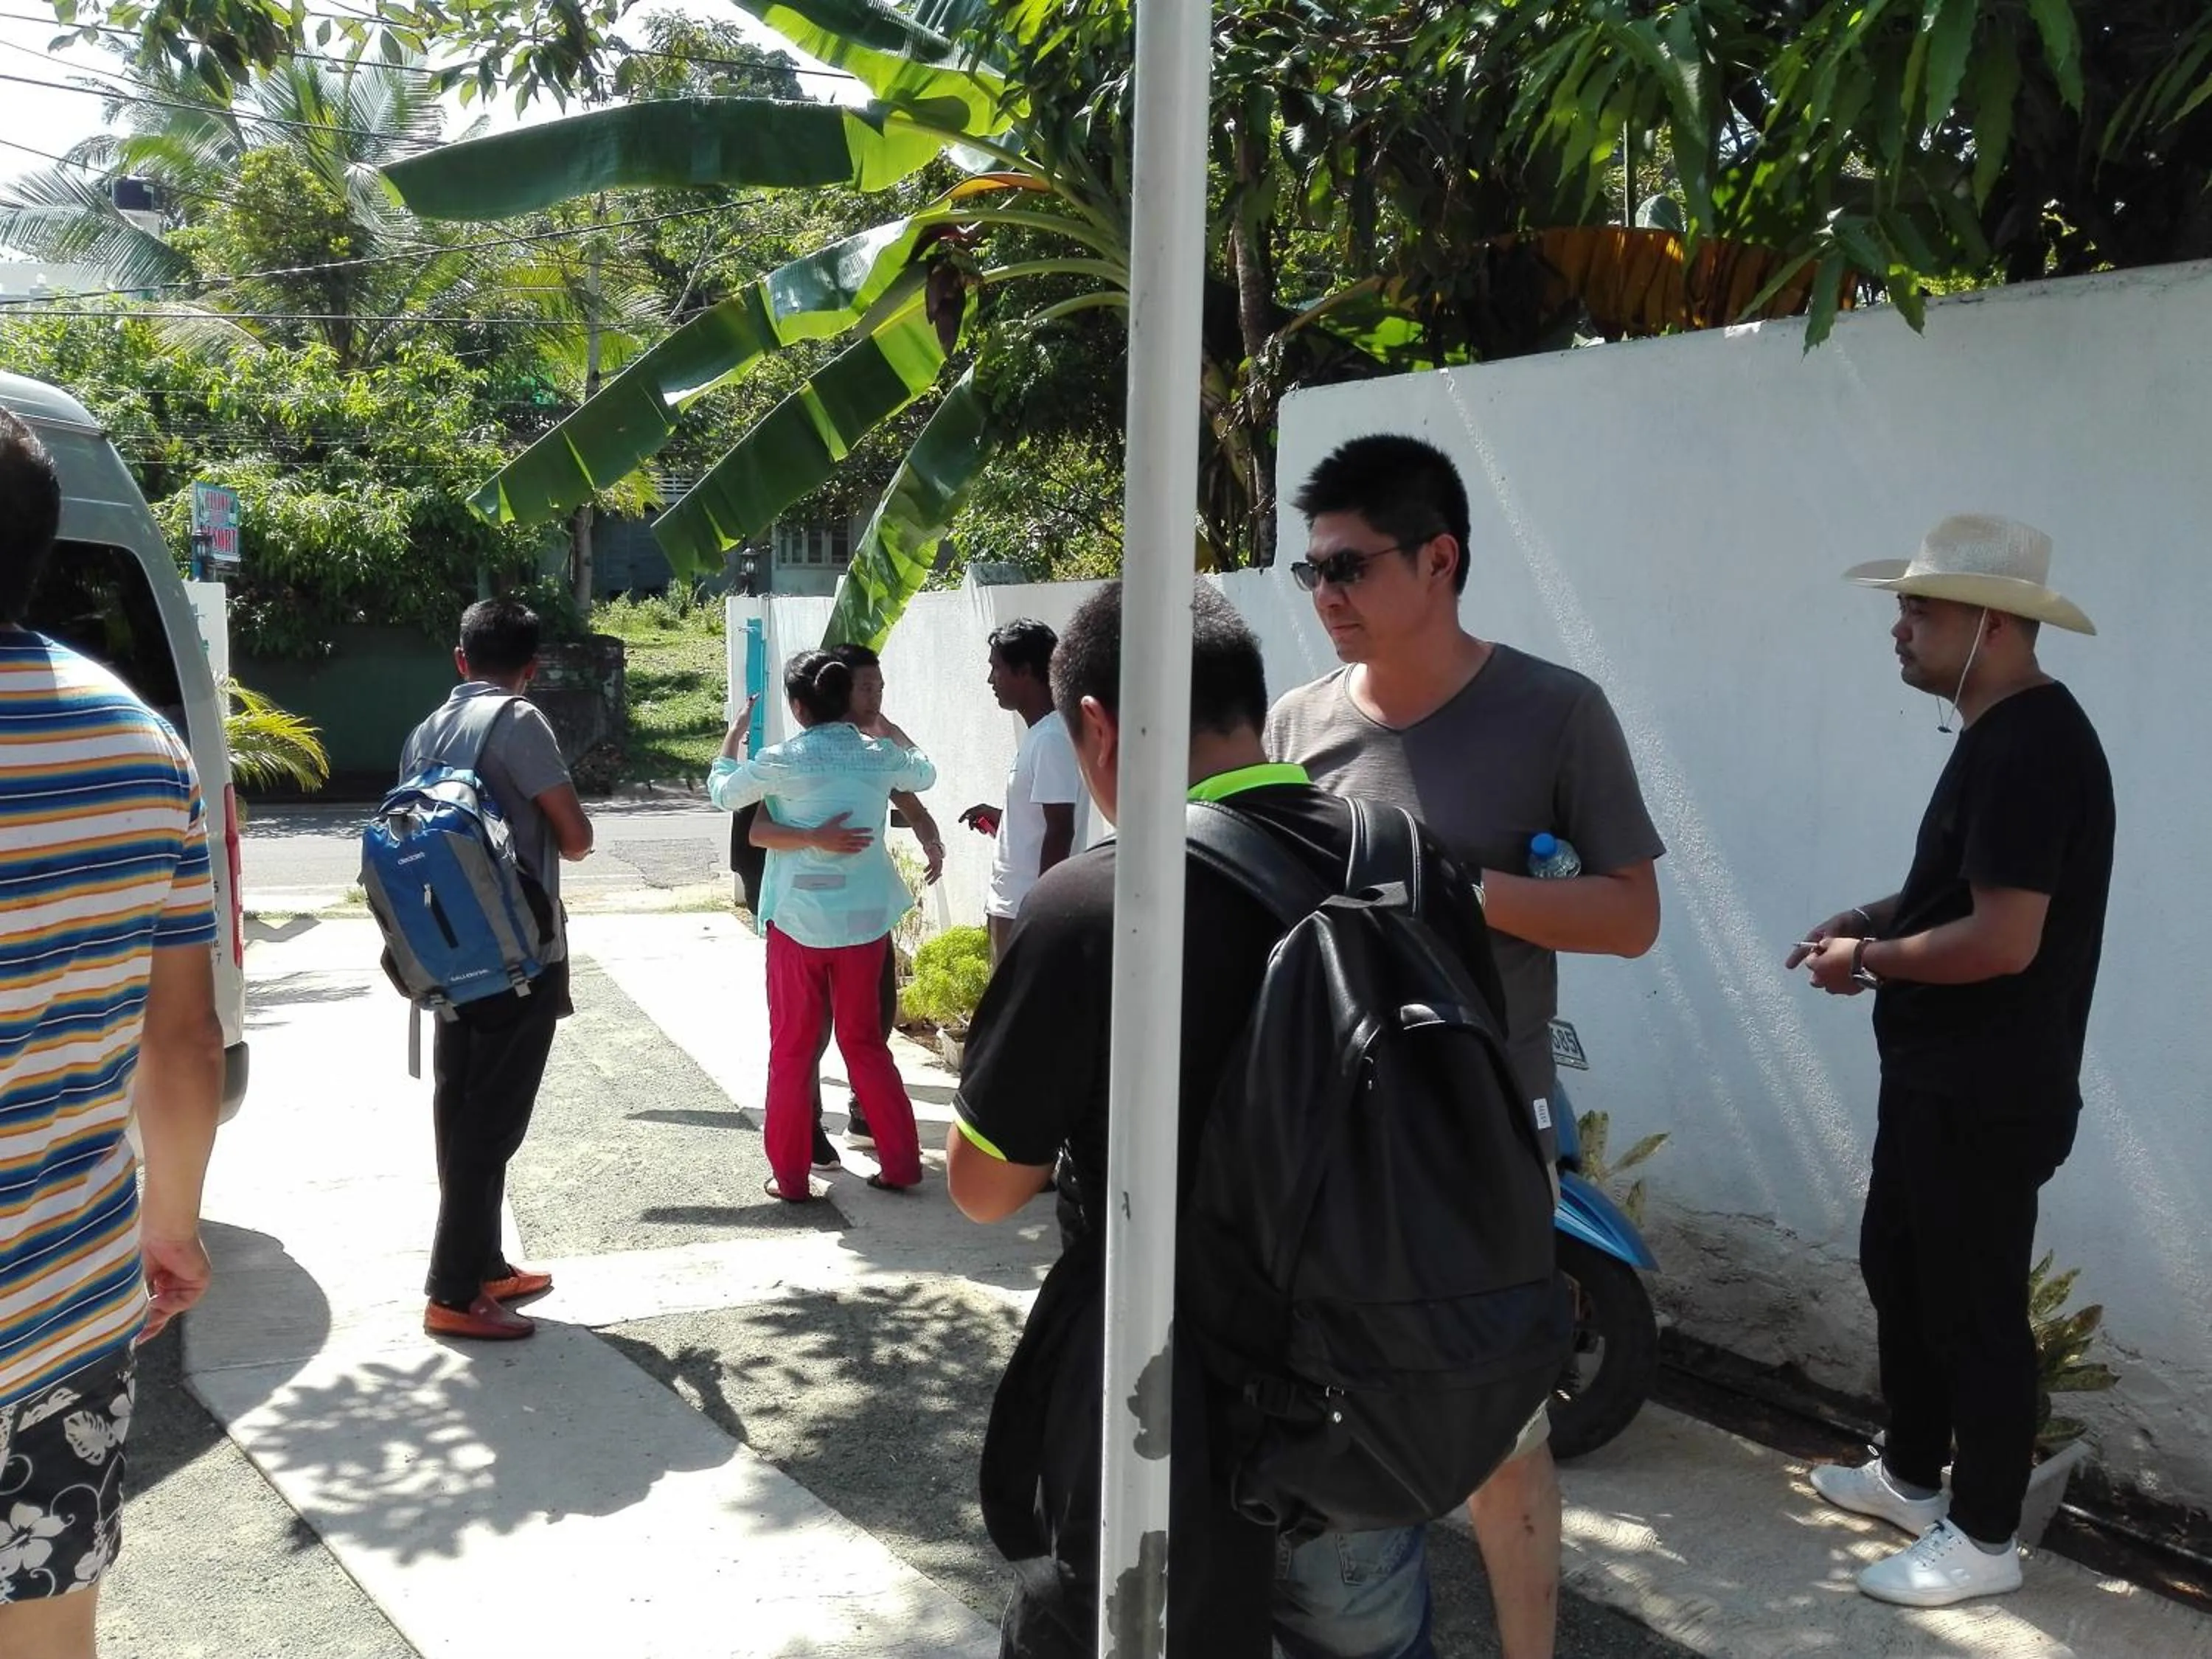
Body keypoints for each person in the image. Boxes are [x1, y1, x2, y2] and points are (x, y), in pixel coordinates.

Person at [947, 581, 1517, 1658]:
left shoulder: (1092, 904)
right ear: (1247, 706)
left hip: (1171, 1413)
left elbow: (982, 1188)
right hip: (1375, 1394)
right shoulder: (1409, 862)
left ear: (1100, 725)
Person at [1265, 434, 1664, 1659]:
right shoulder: (1299, 721)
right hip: (1341, 1135)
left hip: (1490, 1134)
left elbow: (1629, 916)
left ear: (1440, 559)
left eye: (1348, 567)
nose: (1324, 595)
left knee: (1505, 1429)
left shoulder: (1555, 713)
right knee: (1347, 1403)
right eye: (1309, 572)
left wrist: (1448, 886)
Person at [1790, 515, 2112, 1608]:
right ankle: (1912, 1474)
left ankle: (1982, 1537)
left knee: (1973, 1305)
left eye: (1919, 609)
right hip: (1943, 1078)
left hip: (1988, 1086)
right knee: (1904, 1266)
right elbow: (1961, 892)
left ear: (1991, 623)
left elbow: (2006, 939)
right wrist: (1872, 915)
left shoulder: (2030, 745)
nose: (1899, 627)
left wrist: (1869, 959)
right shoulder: (2000, 735)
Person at [0, 409, 223, 1652]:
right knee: (46, 1632)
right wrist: (173, 1226)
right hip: (64, 1302)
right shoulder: (139, 743)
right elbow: (183, 1042)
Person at [403, 598, 595, 1342]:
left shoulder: (427, 730)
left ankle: (483, 1265)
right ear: (531, 669)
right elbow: (573, 839)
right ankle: (453, 1292)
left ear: (460, 659)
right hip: (519, 952)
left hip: (445, 950)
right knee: (494, 1121)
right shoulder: (519, 722)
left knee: (460, 1106)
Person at [710, 650, 931, 1202]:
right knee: (865, 1045)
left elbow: (723, 792)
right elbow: (925, 772)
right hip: (863, 923)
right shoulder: (878, 755)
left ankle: (790, 1177)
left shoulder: (783, 759)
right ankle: (901, 1164)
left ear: (799, 705)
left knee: (791, 1049)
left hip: (798, 922)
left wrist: (732, 738)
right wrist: (886, 728)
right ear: (845, 699)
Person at [960, 618, 1085, 962]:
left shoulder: (1051, 739)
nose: (991, 680)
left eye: (996, 668)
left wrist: (1043, 910)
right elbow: (1045, 823)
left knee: (1023, 1015)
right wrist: (1004, 821)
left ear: (1025, 671)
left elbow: (1061, 829)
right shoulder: (1043, 735)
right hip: (1015, 907)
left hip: (1026, 910)